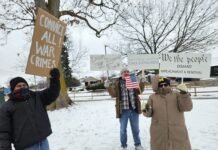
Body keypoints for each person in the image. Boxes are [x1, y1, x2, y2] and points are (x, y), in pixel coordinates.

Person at [0, 68, 60, 150]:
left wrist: (55, 79)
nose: (22, 87)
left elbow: (52, 93)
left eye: (24, 85)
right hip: (26, 147)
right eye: (19, 86)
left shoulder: (37, 97)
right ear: (13, 89)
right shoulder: (7, 107)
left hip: (43, 142)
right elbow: (3, 132)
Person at [142, 75, 192, 150]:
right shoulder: (152, 97)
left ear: (169, 85)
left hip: (177, 131)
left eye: (165, 84)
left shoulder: (177, 94)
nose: (163, 86)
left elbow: (187, 107)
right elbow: (148, 114)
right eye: (161, 85)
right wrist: (145, 109)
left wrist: (185, 94)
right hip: (159, 131)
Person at [104, 68, 146, 150]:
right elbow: (113, 94)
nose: (126, 73)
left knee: (136, 130)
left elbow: (139, 91)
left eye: (127, 72)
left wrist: (142, 82)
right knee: (123, 130)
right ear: (121, 74)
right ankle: (123, 146)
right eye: (124, 72)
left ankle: (137, 145)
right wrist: (108, 86)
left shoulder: (133, 81)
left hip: (134, 109)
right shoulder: (117, 83)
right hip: (123, 111)